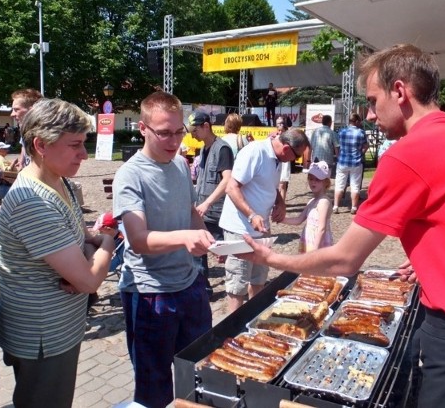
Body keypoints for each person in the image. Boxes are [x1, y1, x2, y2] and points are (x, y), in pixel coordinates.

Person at [240, 44, 445, 408]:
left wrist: (270, 259)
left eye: (373, 101)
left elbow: (344, 262)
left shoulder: (408, 154)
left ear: (400, 92)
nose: (371, 115)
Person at [0, 99, 115, 408]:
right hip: (43, 338)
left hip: (58, 329)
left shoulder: (60, 184)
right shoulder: (32, 202)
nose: (84, 155)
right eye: (75, 145)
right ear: (40, 145)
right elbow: (88, 281)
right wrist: (110, 241)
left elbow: (83, 240)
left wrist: (88, 253)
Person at [112, 91, 213, 408]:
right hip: (150, 294)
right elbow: (139, 239)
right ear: (142, 128)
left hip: (189, 284)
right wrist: (185, 237)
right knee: (154, 387)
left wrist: (206, 236)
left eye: (179, 131)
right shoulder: (131, 174)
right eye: (164, 133)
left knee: (199, 373)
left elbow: (192, 210)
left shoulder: (181, 165)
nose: (174, 140)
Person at [219, 128, 309, 313]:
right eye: (296, 156)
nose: (295, 161)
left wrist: (281, 203)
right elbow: (231, 187)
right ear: (286, 148)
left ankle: (254, 318)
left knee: (259, 278)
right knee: (238, 284)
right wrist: (252, 215)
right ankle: (231, 329)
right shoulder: (255, 152)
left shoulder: (277, 159)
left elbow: (271, 186)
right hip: (240, 229)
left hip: (261, 229)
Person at [189, 111, 234, 297]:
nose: (192, 135)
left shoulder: (222, 148)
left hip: (218, 212)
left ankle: (236, 290)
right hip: (203, 211)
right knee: (198, 252)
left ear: (206, 126)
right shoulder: (203, 149)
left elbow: (227, 180)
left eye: (194, 130)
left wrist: (207, 203)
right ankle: (203, 290)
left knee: (227, 254)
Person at [281, 161, 333, 253]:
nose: (313, 182)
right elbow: (299, 220)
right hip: (309, 241)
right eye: (311, 179)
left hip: (318, 245)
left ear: (326, 182)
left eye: (318, 180)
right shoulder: (312, 201)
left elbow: (322, 228)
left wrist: (315, 250)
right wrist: (282, 219)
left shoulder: (323, 202)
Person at [334, 112, 368, 214]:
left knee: (339, 185)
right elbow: (365, 146)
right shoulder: (361, 133)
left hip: (343, 161)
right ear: (357, 121)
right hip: (356, 162)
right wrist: (361, 153)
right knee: (355, 185)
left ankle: (336, 206)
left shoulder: (341, 131)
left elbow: (338, 146)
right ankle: (353, 207)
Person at [10, 88, 43, 171]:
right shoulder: (24, 128)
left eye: (16, 109)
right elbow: (24, 145)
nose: (12, 114)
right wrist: (21, 161)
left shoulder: (44, 132)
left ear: (32, 110)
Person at [270, 117, 292, 201]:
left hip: (285, 163)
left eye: (281, 131)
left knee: (282, 184)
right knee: (277, 184)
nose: (279, 132)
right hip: (277, 163)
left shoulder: (288, 139)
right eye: (278, 130)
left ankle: (282, 202)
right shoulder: (274, 138)